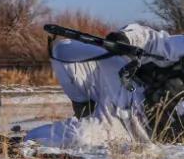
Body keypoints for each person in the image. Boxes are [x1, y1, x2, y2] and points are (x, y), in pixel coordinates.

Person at [29, 23, 184, 147]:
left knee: (78, 136)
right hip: (127, 82)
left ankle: (25, 141)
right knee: (63, 50)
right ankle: (84, 108)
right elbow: (154, 41)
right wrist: (125, 38)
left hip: (133, 128)